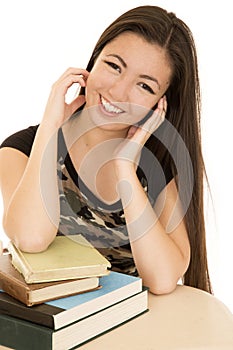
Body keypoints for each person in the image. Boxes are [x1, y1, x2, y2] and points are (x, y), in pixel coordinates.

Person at [0, 5, 212, 294]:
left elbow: (163, 280)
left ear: (159, 104)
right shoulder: (20, 150)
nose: (118, 91)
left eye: (144, 87)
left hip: (131, 329)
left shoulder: (155, 166)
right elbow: (30, 238)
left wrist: (126, 168)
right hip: (52, 328)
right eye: (114, 66)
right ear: (94, 60)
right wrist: (50, 127)